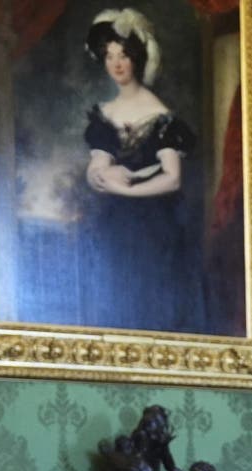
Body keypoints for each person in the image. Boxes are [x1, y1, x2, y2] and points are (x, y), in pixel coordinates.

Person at [80, 8, 204, 333]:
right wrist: (98, 174)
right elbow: (98, 164)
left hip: (154, 226)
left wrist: (127, 187)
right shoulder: (104, 114)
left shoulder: (161, 116)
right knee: (112, 296)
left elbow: (173, 177)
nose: (116, 64)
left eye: (123, 56)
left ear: (137, 58)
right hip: (114, 224)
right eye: (109, 57)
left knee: (150, 300)